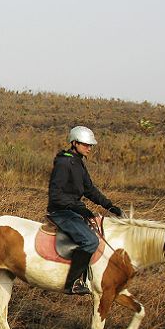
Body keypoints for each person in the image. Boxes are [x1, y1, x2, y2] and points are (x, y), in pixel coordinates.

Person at [47, 126, 123, 295]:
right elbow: (56, 195)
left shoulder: (78, 162)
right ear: (74, 143)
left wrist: (109, 206)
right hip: (60, 212)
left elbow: (89, 190)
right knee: (90, 241)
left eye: (91, 145)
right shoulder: (64, 162)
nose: (89, 148)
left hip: (72, 211)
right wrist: (78, 208)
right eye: (86, 144)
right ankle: (71, 283)